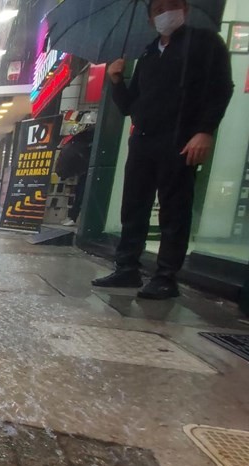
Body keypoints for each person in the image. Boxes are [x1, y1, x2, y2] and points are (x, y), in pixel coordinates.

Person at [92, 0, 233, 299]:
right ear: (149, 18)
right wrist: (116, 81)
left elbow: (222, 87)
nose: (166, 13)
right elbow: (131, 104)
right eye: (158, 9)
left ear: (185, 9)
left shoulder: (205, 43)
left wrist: (205, 131)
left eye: (172, 6)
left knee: (174, 209)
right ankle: (127, 268)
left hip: (180, 139)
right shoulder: (148, 52)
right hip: (144, 139)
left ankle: (166, 276)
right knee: (134, 205)